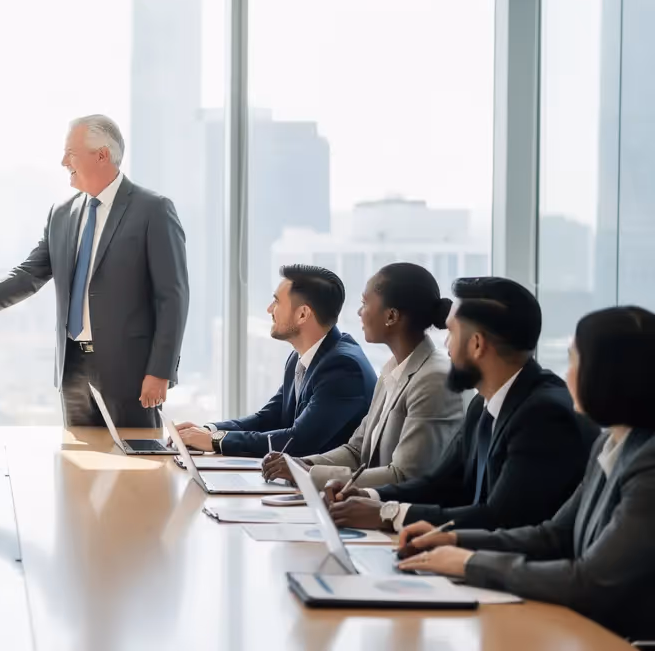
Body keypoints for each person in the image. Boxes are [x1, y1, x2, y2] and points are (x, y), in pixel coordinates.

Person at [396, 306, 655, 642]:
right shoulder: (611, 443)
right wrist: (455, 539)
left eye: (574, 360)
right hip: (586, 627)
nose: (567, 372)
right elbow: (554, 536)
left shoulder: (648, 462)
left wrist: (469, 564)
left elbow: (591, 581)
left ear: (609, 374)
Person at [0, 115, 189, 428]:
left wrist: (161, 371)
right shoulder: (62, 213)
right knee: (78, 467)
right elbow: (28, 275)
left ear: (102, 155)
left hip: (131, 374)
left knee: (137, 466)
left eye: (70, 153)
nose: (63, 162)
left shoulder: (153, 210)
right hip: (72, 370)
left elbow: (173, 297)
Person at [327, 276, 600, 533]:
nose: (446, 344)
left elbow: (500, 518)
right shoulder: (484, 402)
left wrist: (388, 514)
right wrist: (368, 495)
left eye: (452, 332)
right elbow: (442, 483)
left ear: (477, 344)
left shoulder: (542, 416)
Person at [262, 263, 462, 489]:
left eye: (365, 304)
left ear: (391, 316)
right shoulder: (391, 369)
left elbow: (404, 476)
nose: (359, 312)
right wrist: (302, 464)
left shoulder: (433, 379)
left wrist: (308, 474)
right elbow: (356, 450)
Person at [176, 265, 376, 457]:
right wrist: (207, 430)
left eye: (277, 302)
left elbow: (297, 441)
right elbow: (269, 418)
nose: (269, 309)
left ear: (303, 314)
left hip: (326, 487)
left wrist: (216, 440)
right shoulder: (301, 357)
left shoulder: (343, 368)